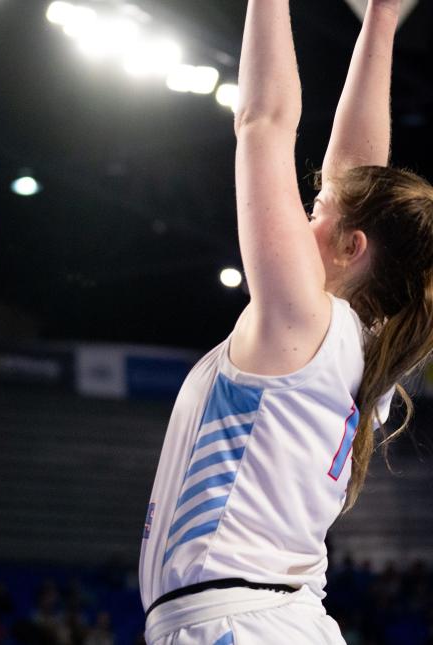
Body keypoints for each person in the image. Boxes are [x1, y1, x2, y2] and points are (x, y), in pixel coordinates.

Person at [138, 0, 432, 642]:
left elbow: (263, 121)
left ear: (352, 248)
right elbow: (356, 177)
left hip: (239, 622)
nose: (305, 213)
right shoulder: (364, 341)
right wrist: (380, 19)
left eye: (317, 207)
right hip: (271, 618)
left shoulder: (306, 317)